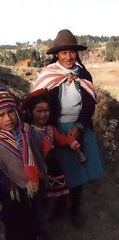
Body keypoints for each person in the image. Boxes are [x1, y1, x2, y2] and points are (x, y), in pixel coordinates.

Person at [31, 29, 105, 225]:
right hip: (55, 128)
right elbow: (38, 104)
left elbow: (89, 103)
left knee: (78, 172)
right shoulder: (48, 75)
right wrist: (48, 130)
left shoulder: (83, 73)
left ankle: (74, 210)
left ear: (76, 53)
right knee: (60, 171)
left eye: (72, 52)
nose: (69, 56)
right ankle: (59, 207)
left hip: (79, 126)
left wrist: (79, 126)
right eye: (64, 52)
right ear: (57, 54)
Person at [0, 86, 43, 240]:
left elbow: (40, 150)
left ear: (16, 111)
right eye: (1, 115)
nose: (8, 119)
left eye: (11, 112)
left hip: (32, 193)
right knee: (16, 231)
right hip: (10, 198)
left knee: (33, 223)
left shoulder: (26, 130)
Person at [21, 88, 81, 235]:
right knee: (38, 199)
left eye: (46, 110)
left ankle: (53, 216)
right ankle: (39, 227)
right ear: (30, 112)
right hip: (37, 169)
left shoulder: (50, 129)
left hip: (53, 168)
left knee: (53, 195)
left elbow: (61, 139)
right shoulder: (26, 130)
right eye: (39, 111)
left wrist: (71, 141)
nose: (43, 114)